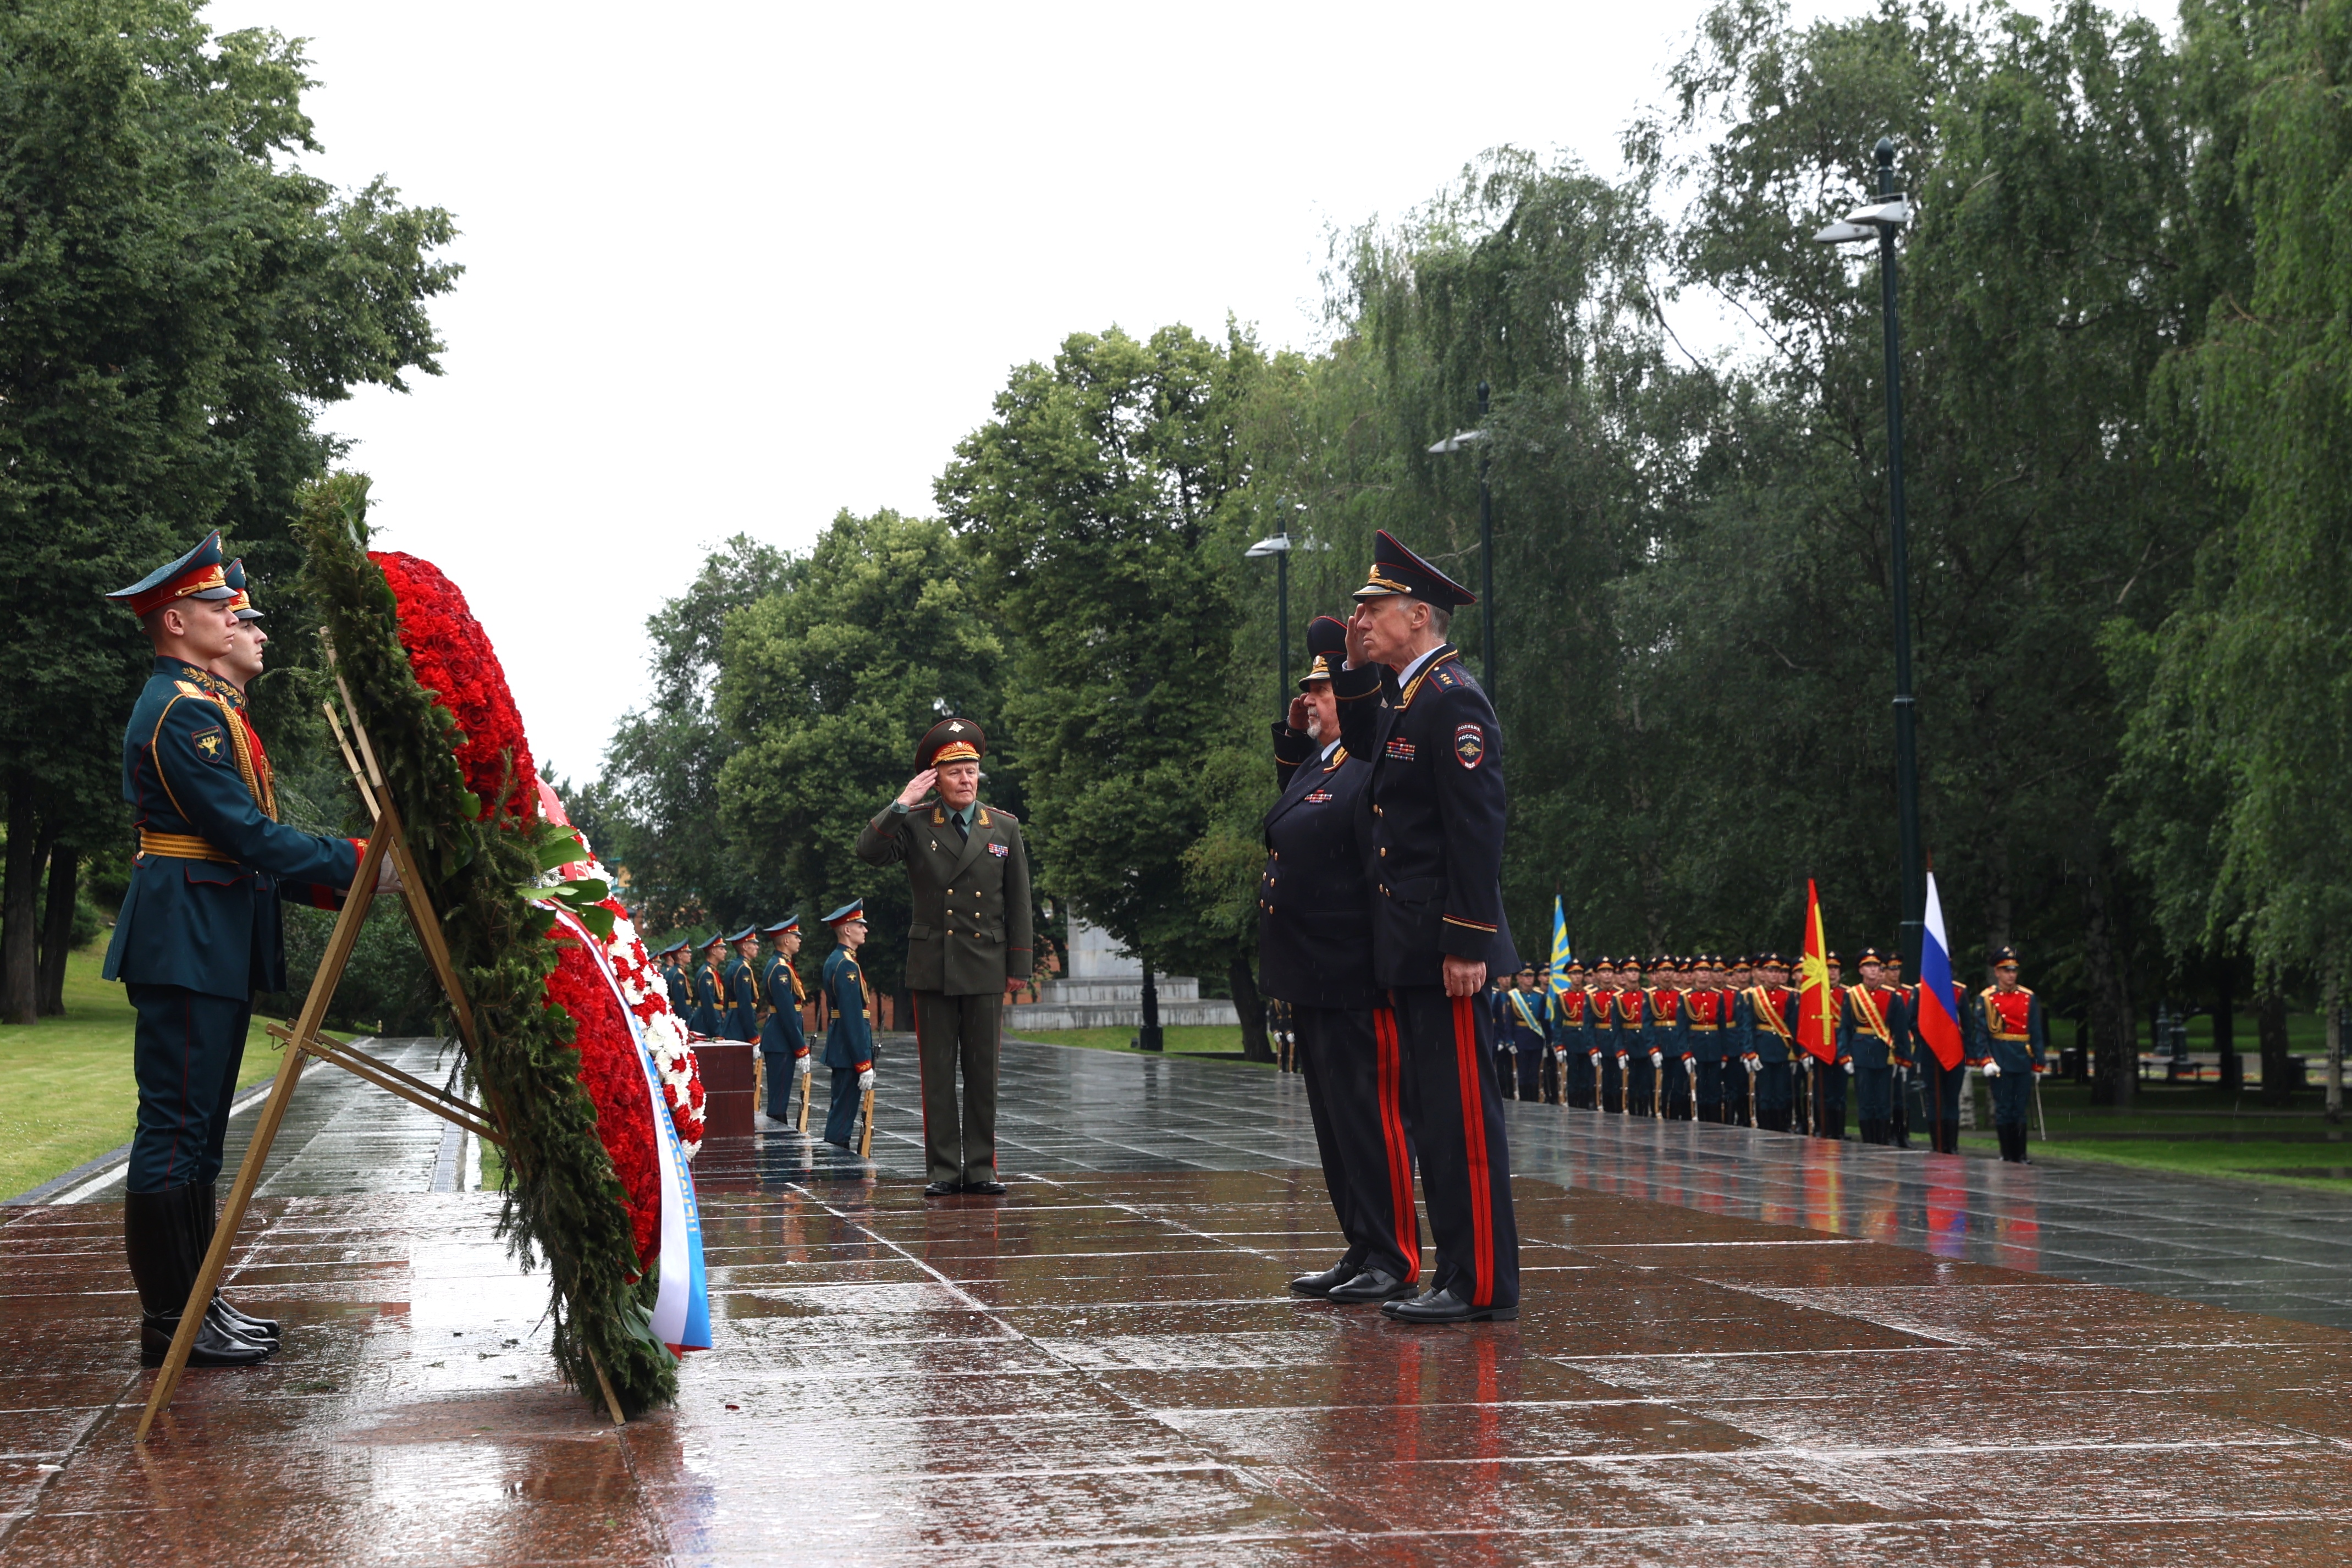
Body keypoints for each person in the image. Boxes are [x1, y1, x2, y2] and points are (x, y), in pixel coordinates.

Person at [103, 533, 381, 1368]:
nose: (236, 617)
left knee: (195, 1139)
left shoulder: (202, 706)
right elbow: (244, 835)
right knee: (176, 1133)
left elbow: (241, 843)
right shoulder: (184, 712)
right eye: (222, 608)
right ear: (178, 621)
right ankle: (171, 1323)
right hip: (186, 940)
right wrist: (362, 865)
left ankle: (195, 1306)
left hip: (203, 935)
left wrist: (347, 877)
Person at [1334, 529, 1519, 1324]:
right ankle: (1456, 1272)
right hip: (1410, 944)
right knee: (1432, 1116)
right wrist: (1351, 670)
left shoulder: (1452, 700)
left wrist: (1468, 941)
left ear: (1417, 616)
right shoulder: (1410, 696)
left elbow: (1475, 828)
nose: (1362, 618)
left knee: (1460, 1118)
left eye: (1373, 608)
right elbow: (1365, 753)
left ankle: (1479, 1283)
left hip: (1445, 946)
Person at [1258, 620, 1419, 1304]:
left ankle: (1395, 1255)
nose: (1312, 701)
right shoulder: (1323, 761)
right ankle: (1360, 1241)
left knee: (1369, 1117)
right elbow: (1291, 816)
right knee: (1332, 1120)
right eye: (1308, 691)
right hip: (1311, 972)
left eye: (1322, 689)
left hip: (1355, 971)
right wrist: (1296, 740)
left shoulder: (1372, 757)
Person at [855, 717, 1032, 1196]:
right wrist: (900, 803)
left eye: (971, 770)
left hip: (985, 965)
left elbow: (1019, 900)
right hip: (933, 964)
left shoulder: (1004, 827)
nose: (966, 780)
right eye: (955, 773)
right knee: (936, 1076)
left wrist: (1019, 966)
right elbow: (868, 851)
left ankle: (980, 1169)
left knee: (982, 1075)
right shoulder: (914, 823)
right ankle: (942, 1171)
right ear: (936, 779)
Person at [1971, 946, 2045, 1163]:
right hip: (2000, 1058)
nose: (2011, 975)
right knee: (2004, 1109)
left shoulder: (2028, 997)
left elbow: (2036, 1031)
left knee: (2020, 1109)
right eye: (2006, 971)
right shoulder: (1986, 998)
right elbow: (1981, 1033)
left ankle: (2021, 1154)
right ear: (1997, 972)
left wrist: (2038, 1062)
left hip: (2022, 1057)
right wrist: (1985, 1059)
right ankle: (2007, 1153)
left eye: (2013, 971)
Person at [818, 901, 877, 1150]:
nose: (865, 930)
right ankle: (838, 1167)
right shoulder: (847, 965)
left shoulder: (838, 960)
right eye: (859, 925)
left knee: (841, 1108)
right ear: (846, 930)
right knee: (843, 1114)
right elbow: (853, 1018)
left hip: (841, 1046)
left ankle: (836, 1162)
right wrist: (863, 1063)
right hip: (847, 1049)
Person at [1841, 947, 1907, 1146]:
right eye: (1868, 966)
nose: (1873, 970)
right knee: (1866, 1102)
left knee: (1884, 1102)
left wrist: (1904, 1059)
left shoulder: (1893, 996)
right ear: (1861, 970)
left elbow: (1900, 1030)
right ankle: (1868, 1141)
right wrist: (1845, 1056)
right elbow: (1845, 1027)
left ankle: (1883, 1140)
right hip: (1861, 1052)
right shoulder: (1852, 995)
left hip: (1885, 1053)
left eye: (1876, 966)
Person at [757, 918, 808, 1122]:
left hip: (780, 1038)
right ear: (786, 941)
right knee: (778, 1099)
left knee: (781, 1096)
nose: (799, 941)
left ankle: (779, 1137)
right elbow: (787, 1012)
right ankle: (777, 1142)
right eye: (796, 937)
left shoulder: (783, 965)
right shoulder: (780, 968)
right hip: (781, 1039)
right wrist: (801, 1047)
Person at [1742, 954, 1798, 1132]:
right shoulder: (1753, 996)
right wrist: (1749, 1052)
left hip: (1783, 1049)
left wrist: (1797, 1053)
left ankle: (1782, 1127)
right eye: (1770, 971)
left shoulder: (1789, 996)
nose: (1774, 975)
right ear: (1763, 974)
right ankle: (1765, 1128)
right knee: (1764, 1094)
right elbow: (1747, 1025)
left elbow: (1794, 1025)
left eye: (1777, 971)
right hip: (1762, 1048)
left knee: (1782, 1093)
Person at [1684, 955, 1733, 1123]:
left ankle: (1714, 1123)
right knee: (1699, 1089)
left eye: (1707, 970)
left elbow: (1723, 1026)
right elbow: (1682, 1029)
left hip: (1714, 1046)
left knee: (1714, 1089)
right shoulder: (1686, 997)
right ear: (1693, 974)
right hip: (1696, 1045)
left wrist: (1725, 1053)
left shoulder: (1718, 996)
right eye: (1700, 970)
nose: (1704, 974)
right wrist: (1686, 1053)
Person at [1498, 965, 1548, 1103]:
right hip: (1520, 1038)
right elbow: (1508, 1021)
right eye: (1525, 976)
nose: (1528, 979)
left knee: (1535, 1074)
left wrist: (1547, 1041)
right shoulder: (1513, 996)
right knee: (1523, 1073)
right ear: (1519, 978)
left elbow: (1544, 1020)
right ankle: (1525, 1101)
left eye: (1531, 976)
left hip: (1537, 1038)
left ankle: (1534, 1100)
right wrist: (1509, 1040)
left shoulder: (1540, 996)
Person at [1555, 959, 1596, 1109]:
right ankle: (1573, 1106)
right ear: (1569, 976)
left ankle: (1586, 1106)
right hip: (1571, 1039)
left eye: (1580, 973)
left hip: (1587, 1040)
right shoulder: (1562, 996)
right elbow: (1558, 1023)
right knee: (1573, 1078)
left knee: (1587, 1078)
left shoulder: (1590, 995)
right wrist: (1559, 1045)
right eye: (1574, 974)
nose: (1577, 977)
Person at [723, 926, 761, 1041]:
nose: (757, 947)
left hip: (733, 1020)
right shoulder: (743, 968)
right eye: (754, 944)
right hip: (739, 1025)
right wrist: (753, 1036)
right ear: (745, 947)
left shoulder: (735, 965)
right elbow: (745, 1004)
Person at [688, 933, 725, 1037]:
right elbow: (708, 1004)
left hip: (709, 1019)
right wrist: (717, 1030)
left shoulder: (712, 971)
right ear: (714, 951)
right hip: (705, 1022)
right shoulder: (707, 974)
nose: (725, 952)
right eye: (722, 949)